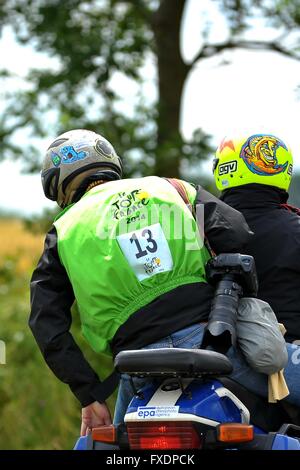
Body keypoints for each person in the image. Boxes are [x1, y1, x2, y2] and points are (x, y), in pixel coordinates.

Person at [29, 129, 300, 434]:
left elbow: (45, 323)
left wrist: (89, 393)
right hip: (210, 344)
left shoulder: (63, 231)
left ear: (57, 184)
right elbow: (235, 231)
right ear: (112, 163)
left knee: (116, 445)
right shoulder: (170, 189)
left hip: (135, 363)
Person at [212, 132, 300, 344]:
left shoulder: (198, 228)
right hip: (291, 355)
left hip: (216, 355)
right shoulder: (296, 228)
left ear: (224, 167)